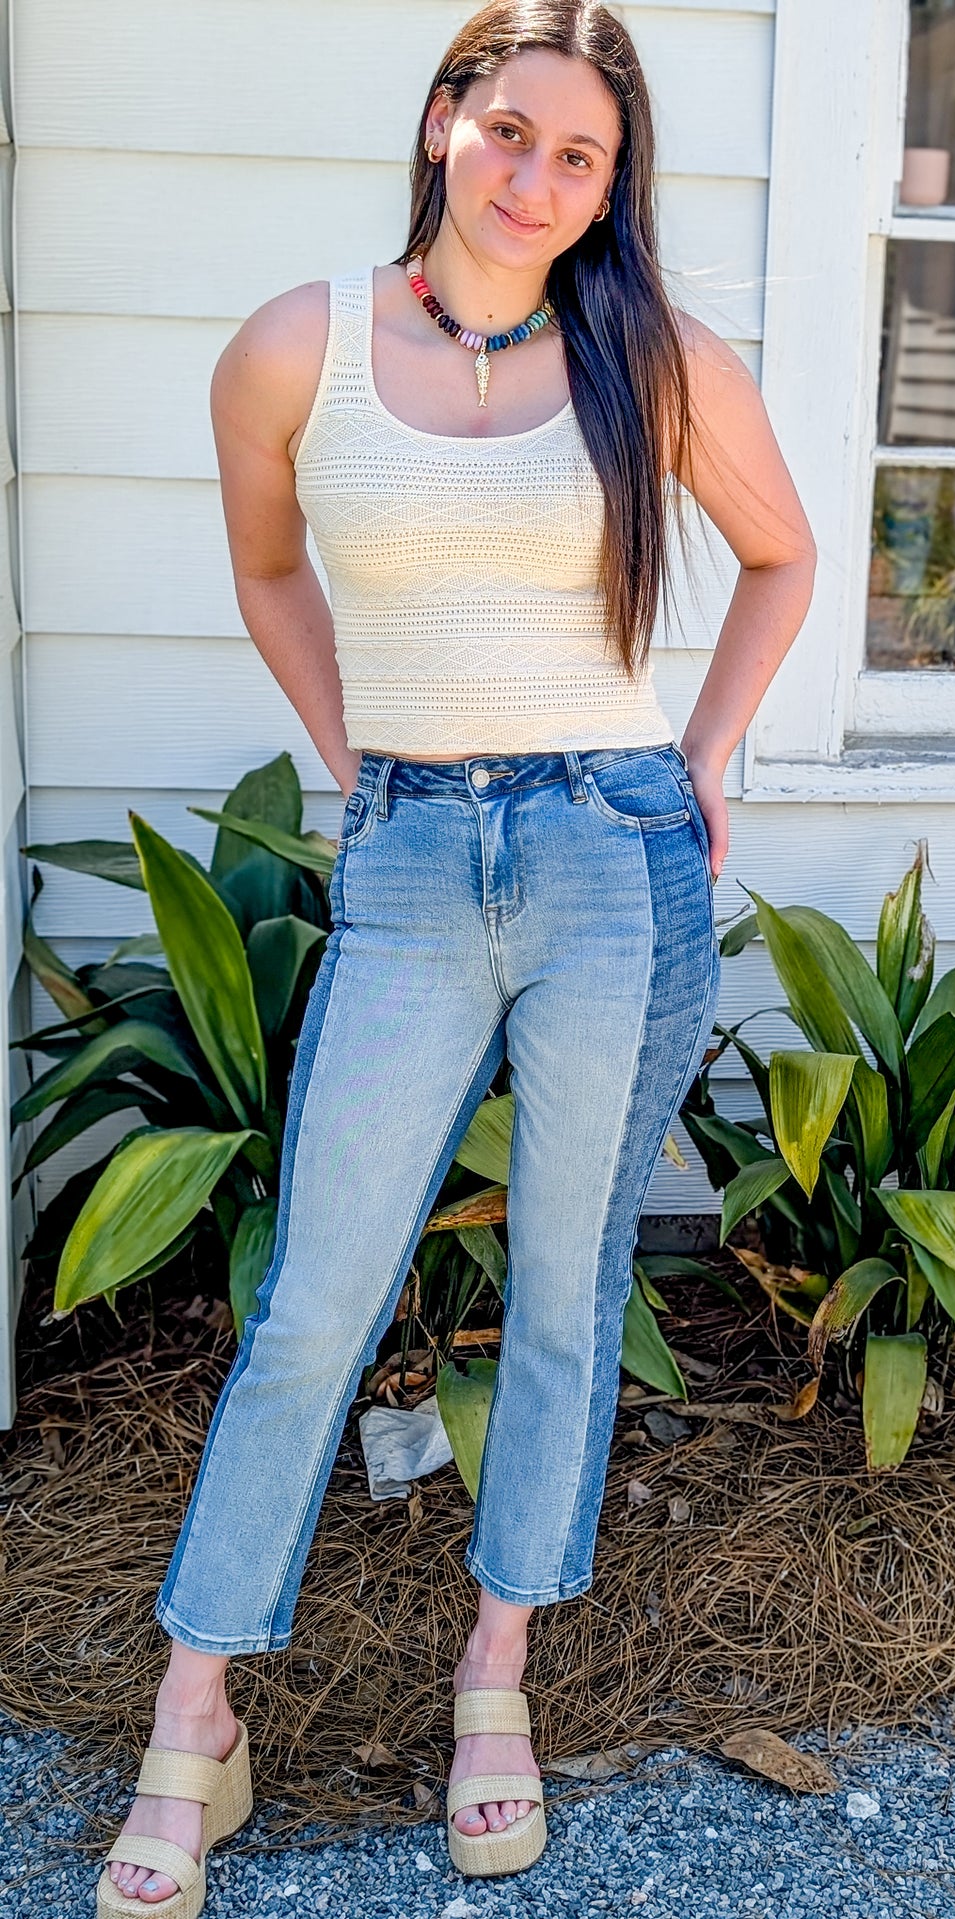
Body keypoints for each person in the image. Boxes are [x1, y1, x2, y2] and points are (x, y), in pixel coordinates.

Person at [97, 3, 815, 1908]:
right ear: (442, 123)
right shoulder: (298, 347)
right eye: (510, 132)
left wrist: (705, 760)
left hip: (612, 857)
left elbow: (784, 556)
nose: (534, 179)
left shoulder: (652, 357)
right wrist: (360, 766)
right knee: (315, 1300)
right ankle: (197, 1718)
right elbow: (270, 569)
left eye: (579, 157)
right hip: (415, 857)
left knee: (567, 1287)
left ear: (608, 187)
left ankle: (494, 1683)